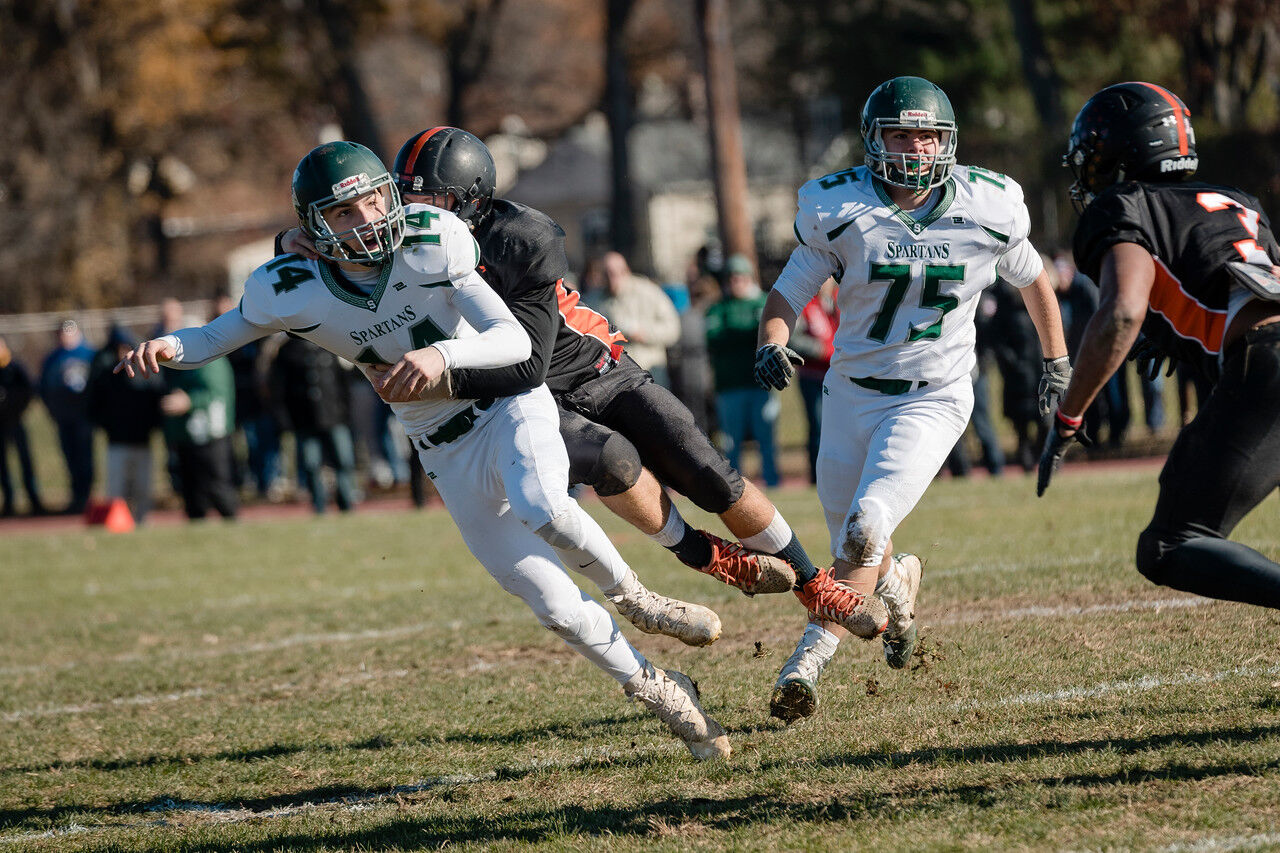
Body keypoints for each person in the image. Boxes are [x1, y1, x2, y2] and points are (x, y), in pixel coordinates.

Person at [120, 141, 731, 760]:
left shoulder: (431, 238)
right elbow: (216, 335)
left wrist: (443, 355)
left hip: (505, 406)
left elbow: (513, 342)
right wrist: (169, 346)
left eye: (372, 201)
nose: (366, 220)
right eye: (343, 213)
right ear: (312, 226)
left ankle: (636, 597)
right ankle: (655, 686)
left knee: (541, 502)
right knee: (551, 603)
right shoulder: (289, 287)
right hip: (443, 448)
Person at [371, 126, 888, 637]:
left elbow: (528, 361)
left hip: (589, 368)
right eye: (406, 198)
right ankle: (703, 553)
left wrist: (437, 376)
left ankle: (814, 584)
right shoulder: (389, 251)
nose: (415, 212)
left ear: (472, 199)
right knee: (611, 461)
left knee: (707, 472)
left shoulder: (519, 237)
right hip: (527, 399)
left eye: (430, 198)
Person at [756, 76, 1070, 721]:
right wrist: (772, 341)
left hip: (934, 395)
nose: (916, 148)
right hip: (850, 394)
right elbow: (788, 291)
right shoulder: (841, 208)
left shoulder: (986, 205)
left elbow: (1034, 279)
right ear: (874, 140)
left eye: (927, 135)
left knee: (866, 525)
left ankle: (808, 660)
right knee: (857, 537)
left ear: (947, 140)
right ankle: (899, 586)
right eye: (901, 134)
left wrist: (1057, 358)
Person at [1038, 81, 1280, 611]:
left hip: (1267, 362)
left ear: (1122, 151)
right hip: (1264, 353)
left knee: (1170, 543)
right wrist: (1175, 329)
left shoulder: (1126, 204)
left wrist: (1069, 416)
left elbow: (1122, 311)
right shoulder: (1239, 202)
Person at [704, 253, 779, 487]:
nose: (736, 282)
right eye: (732, 278)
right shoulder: (718, 308)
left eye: (740, 277)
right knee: (731, 442)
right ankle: (736, 487)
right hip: (729, 384)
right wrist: (748, 332)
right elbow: (714, 337)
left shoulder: (763, 303)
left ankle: (772, 481)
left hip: (761, 383)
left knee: (766, 438)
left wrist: (738, 333)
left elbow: (769, 334)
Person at [159, 315, 239, 521]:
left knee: (217, 485)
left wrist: (189, 401)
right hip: (188, 433)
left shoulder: (211, 361)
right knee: (192, 489)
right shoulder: (182, 364)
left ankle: (230, 518)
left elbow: (217, 394)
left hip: (211, 433)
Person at [270, 335, 359, 513]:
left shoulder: (329, 342)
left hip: (335, 416)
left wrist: (347, 412)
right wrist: (284, 419)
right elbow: (279, 388)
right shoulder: (288, 350)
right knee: (311, 464)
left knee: (344, 460)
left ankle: (346, 504)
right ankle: (319, 507)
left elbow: (343, 382)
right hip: (305, 419)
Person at [87, 324, 165, 523]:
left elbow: (155, 403)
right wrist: (108, 426)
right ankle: (117, 524)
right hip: (117, 442)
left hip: (142, 442)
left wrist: (151, 426)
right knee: (116, 491)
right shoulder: (106, 374)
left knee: (143, 489)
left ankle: (141, 522)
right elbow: (94, 405)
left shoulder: (145, 374)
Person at [595, 251, 681, 389]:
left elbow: (673, 328)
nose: (612, 279)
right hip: (619, 379)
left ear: (626, 270)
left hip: (650, 374)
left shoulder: (648, 292)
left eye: (616, 273)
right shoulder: (597, 299)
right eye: (607, 274)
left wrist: (644, 333)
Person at [40, 319, 96, 514]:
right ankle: (76, 497)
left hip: (84, 416)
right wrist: (52, 409)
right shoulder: (52, 359)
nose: (65, 336)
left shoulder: (89, 354)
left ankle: (86, 497)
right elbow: (43, 387)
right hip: (63, 417)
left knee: (85, 457)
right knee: (69, 457)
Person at [790, 279, 839, 484]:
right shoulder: (805, 305)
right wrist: (821, 350)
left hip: (841, 376)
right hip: (814, 377)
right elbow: (793, 339)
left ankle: (842, 475)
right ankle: (819, 478)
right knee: (819, 428)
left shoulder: (842, 300)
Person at [0, 335, 46, 516]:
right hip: (0, 425)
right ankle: (9, 501)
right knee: (3, 465)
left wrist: (16, 407)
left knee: (25, 461)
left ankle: (34, 500)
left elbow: (29, 390)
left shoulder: (15, 367)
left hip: (16, 422)